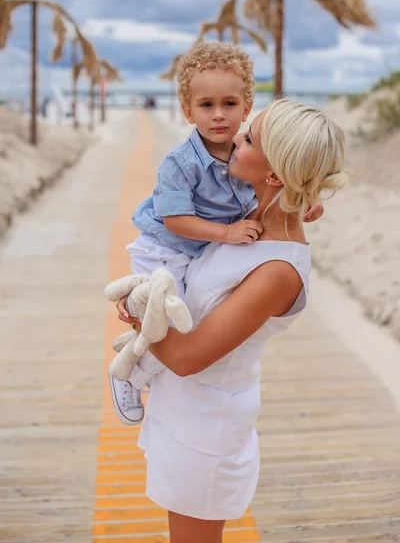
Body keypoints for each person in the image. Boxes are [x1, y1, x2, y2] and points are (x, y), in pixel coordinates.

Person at [116, 98, 351, 543]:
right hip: (183, 413)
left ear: (275, 174)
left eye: (248, 138)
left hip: (207, 428)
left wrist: (136, 311)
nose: (233, 136)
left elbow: (186, 357)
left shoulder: (278, 271)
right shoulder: (249, 217)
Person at [108, 43, 323, 426]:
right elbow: (174, 220)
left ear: (246, 106)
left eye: (230, 104)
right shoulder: (181, 162)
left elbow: (279, 185)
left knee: (182, 319)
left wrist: (307, 201)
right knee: (170, 319)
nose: (220, 116)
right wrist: (226, 232)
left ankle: (131, 371)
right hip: (164, 247)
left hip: (199, 249)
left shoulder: (243, 159)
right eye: (206, 106)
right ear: (187, 110)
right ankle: (125, 373)